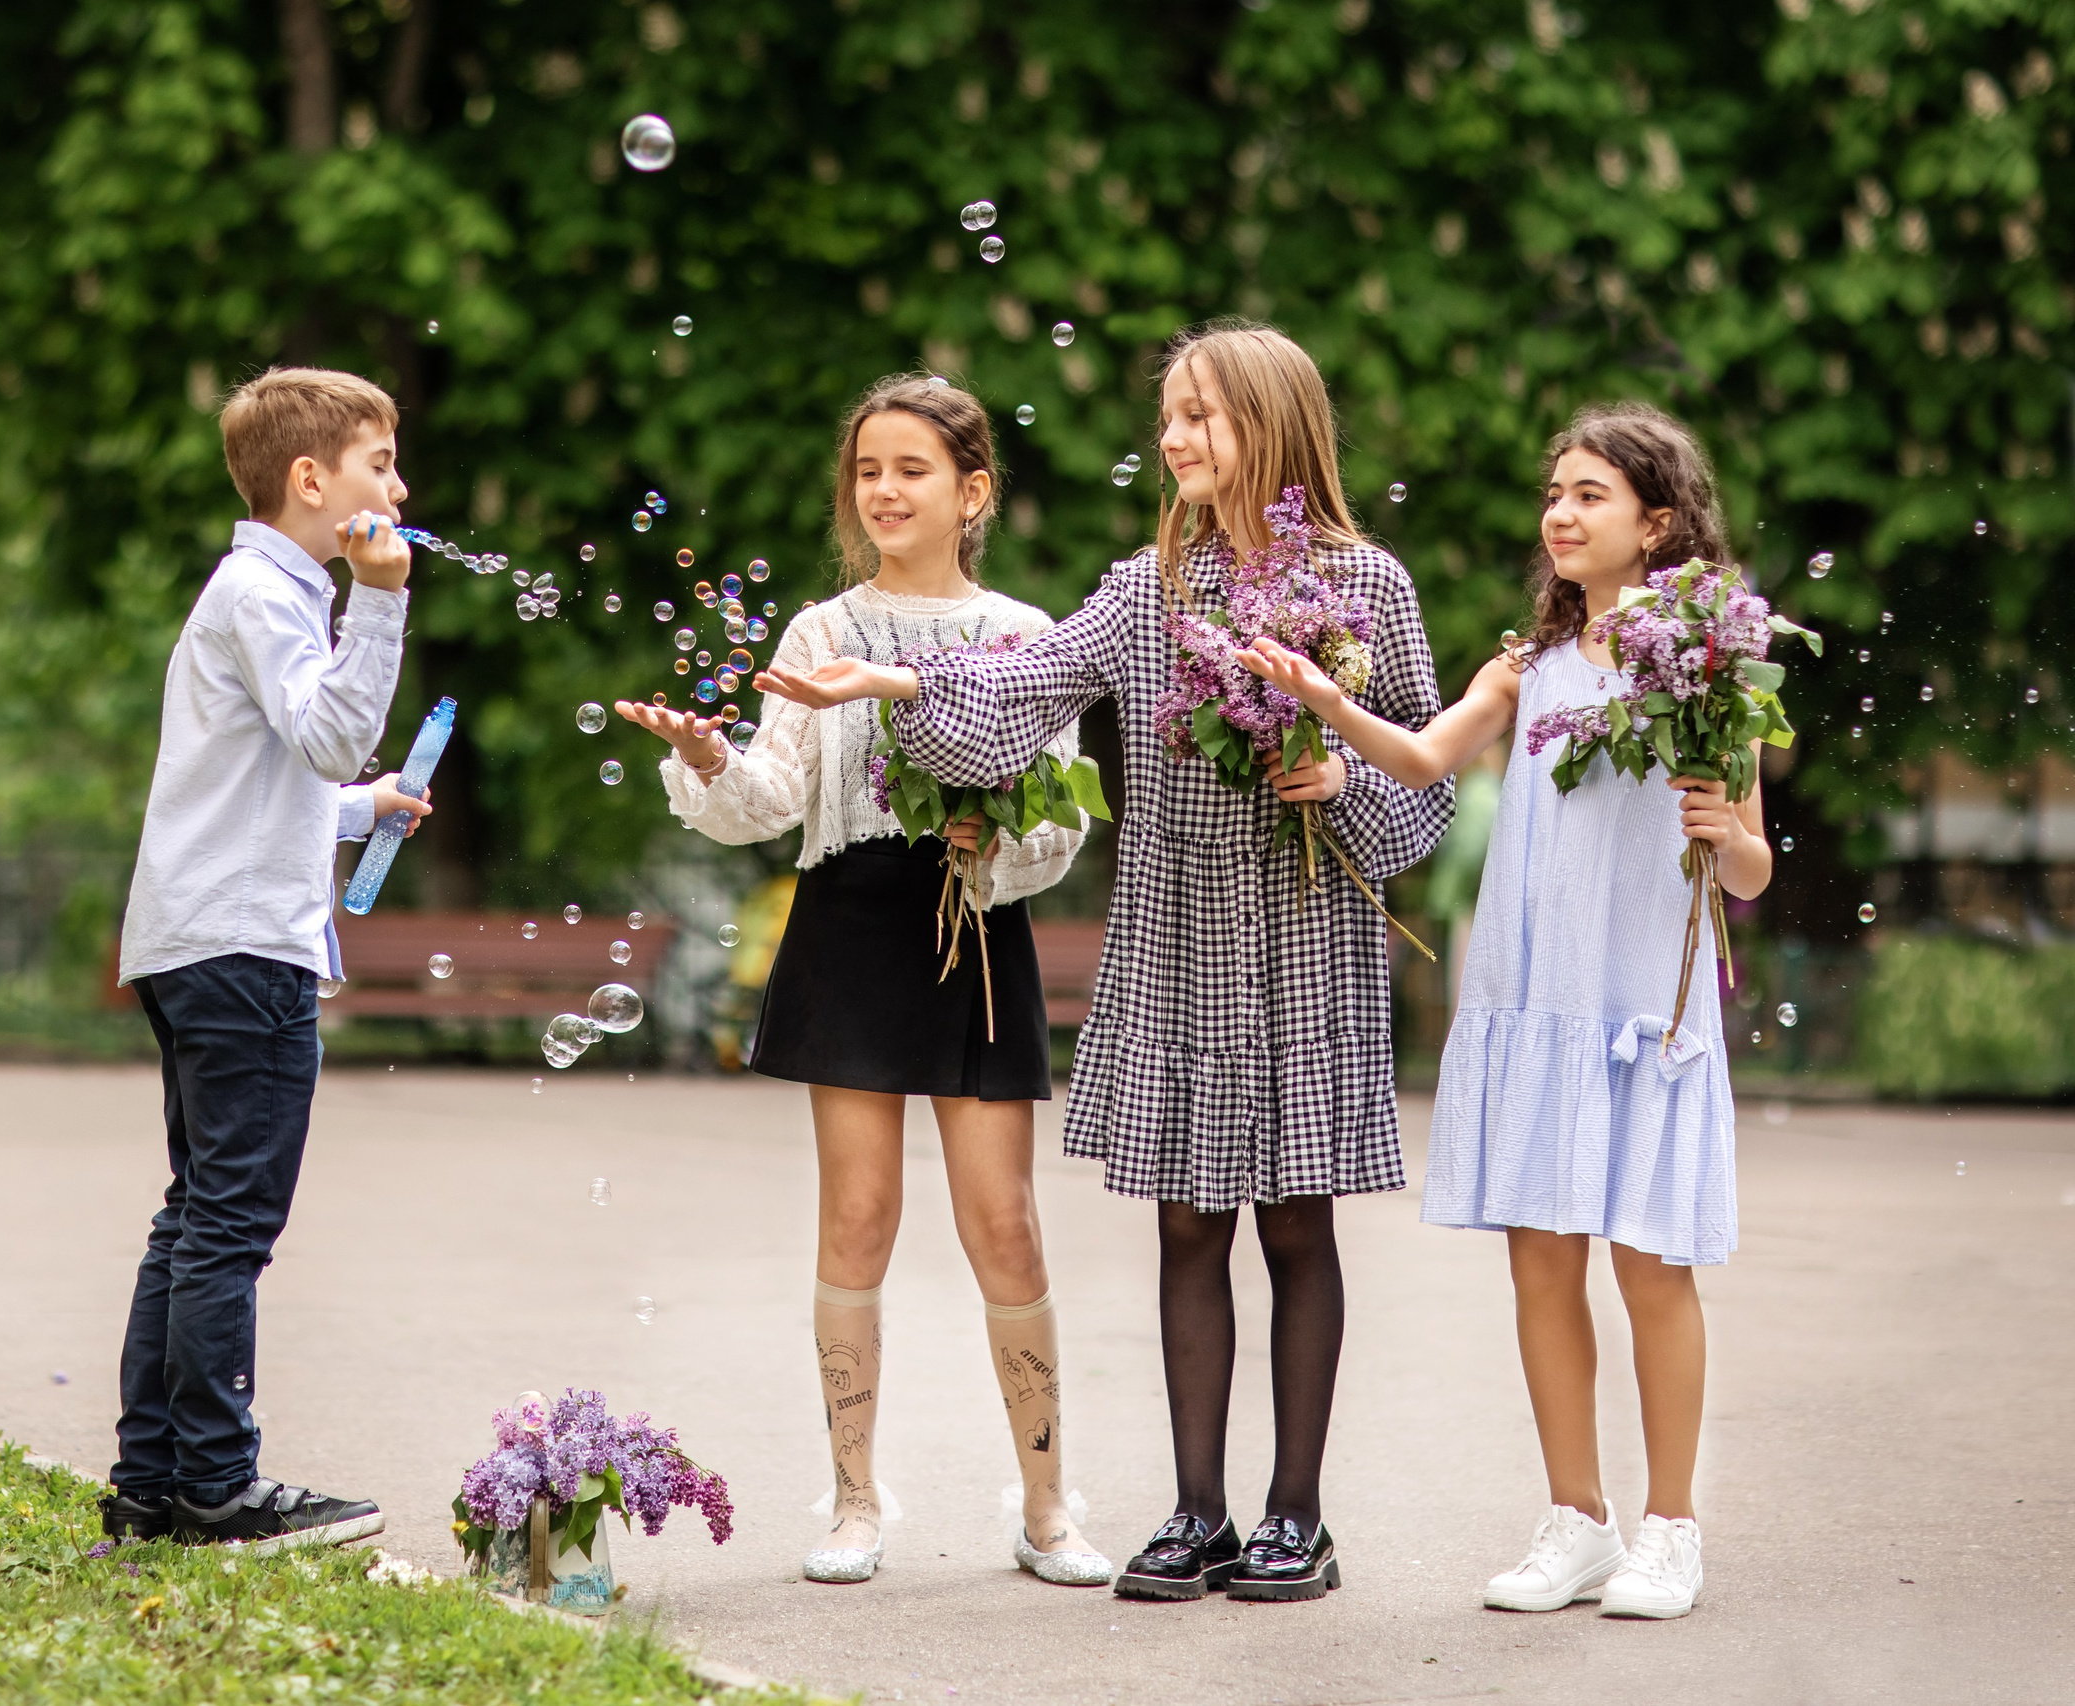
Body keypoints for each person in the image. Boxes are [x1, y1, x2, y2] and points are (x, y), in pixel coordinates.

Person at [761, 324, 1453, 1604]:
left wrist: (1343, 773)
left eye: (1204, 416)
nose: (1176, 437)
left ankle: (1294, 1513)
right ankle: (1196, 1511)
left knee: (1296, 1224)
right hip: (1177, 937)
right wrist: (902, 683)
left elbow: (1424, 796)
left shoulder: (1369, 586)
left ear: (1276, 425)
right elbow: (1023, 688)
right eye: (1171, 416)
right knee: (1185, 1223)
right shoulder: (1144, 589)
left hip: (1307, 938)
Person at [1235, 401, 1760, 1620]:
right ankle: (1577, 1517)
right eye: (1556, 492)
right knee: (1540, 1264)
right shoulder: (1527, 668)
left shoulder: (1704, 670)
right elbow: (1421, 757)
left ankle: (1670, 1526)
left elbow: (1751, 869)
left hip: (1639, 1004)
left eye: (1591, 494)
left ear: (1658, 521)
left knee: (1650, 1269)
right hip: (1535, 996)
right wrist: (1322, 701)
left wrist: (1723, 828)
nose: (1562, 513)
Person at [616, 373, 1111, 1588]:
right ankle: (852, 1499)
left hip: (974, 927)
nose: (883, 490)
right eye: (867, 471)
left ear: (972, 490)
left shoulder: (1024, 635)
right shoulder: (819, 634)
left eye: (912, 470)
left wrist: (997, 840)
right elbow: (773, 800)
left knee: (1005, 1223)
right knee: (857, 1214)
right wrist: (707, 754)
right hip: (851, 923)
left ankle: (1045, 1502)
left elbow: (1059, 826)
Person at [103, 367, 436, 1552]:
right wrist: (382, 599)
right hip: (244, 952)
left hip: (201, 934)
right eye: (380, 464)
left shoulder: (252, 590)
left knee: (195, 1214)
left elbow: (271, 774)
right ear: (311, 480)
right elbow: (332, 724)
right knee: (230, 1222)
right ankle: (218, 1488)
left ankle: (154, 1484)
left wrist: (362, 807)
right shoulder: (276, 592)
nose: (400, 487)